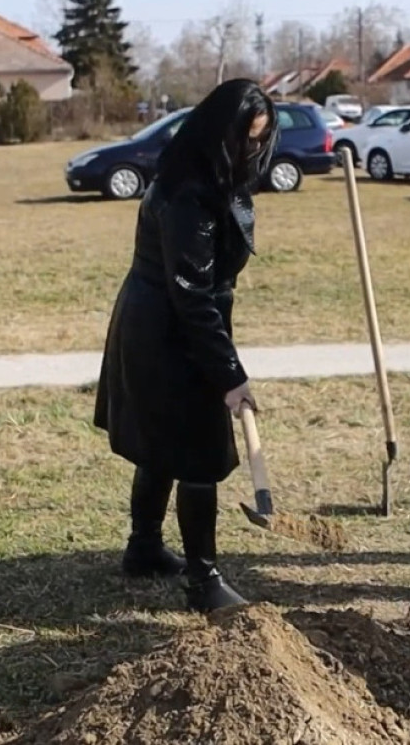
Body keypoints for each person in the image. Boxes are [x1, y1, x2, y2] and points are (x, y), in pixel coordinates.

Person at [94, 78, 278, 613]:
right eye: (245, 138)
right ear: (218, 132)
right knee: (198, 452)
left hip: (170, 321)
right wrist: (229, 375)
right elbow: (192, 293)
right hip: (166, 331)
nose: (252, 149)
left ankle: (144, 548)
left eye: (259, 139)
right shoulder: (187, 194)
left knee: (163, 441)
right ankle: (203, 580)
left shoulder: (204, 175)